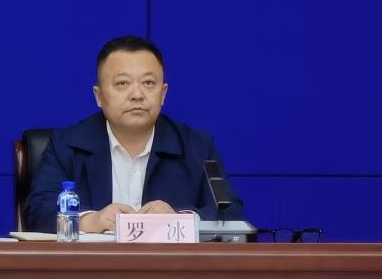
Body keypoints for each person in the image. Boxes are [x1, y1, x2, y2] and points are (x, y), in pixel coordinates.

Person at [22, 35, 243, 234]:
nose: (137, 94)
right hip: (91, 265)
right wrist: (90, 221)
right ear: (99, 96)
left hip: (169, 265)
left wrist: (179, 220)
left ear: (163, 93)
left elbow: (230, 212)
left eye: (148, 83)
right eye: (122, 83)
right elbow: (37, 211)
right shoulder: (66, 145)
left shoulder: (197, 146)